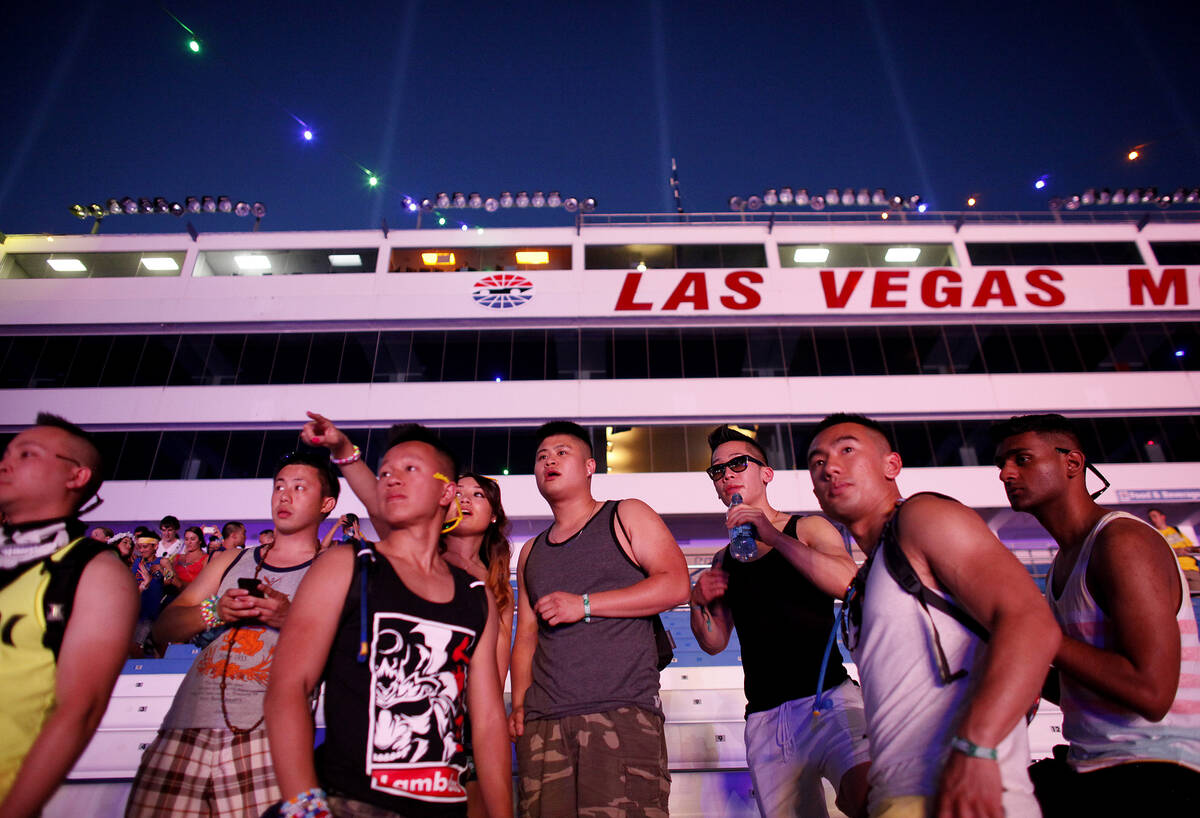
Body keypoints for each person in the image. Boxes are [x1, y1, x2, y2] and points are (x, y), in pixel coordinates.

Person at [806, 412, 1058, 818]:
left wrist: (978, 746)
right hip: (898, 796)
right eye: (816, 463)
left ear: (892, 465)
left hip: (966, 797)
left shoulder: (922, 517)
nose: (829, 467)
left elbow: (1030, 621)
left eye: (847, 450)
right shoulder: (865, 582)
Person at [266, 422, 512, 817]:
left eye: (410, 469)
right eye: (384, 471)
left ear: (446, 492)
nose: (392, 477)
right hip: (352, 803)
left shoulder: (475, 595)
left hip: (443, 804)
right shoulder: (347, 565)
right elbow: (288, 688)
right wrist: (305, 807)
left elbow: (486, 720)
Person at [991, 414, 1200, 815]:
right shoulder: (1064, 562)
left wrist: (1034, 633)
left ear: (1072, 463)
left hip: (1157, 771)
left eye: (1021, 459)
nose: (1005, 473)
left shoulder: (1122, 541)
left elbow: (1151, 694)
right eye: (1001, 464)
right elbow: (1080, 683)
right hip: (1097, 766)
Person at [125, 449, 339, 817]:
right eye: (279, 487)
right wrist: (217, 610)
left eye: (300, 488)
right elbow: (164, 628)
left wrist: (290, 619)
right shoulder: (231, 559)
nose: (284, 496)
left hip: (268, 737)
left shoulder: (333, 569)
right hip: (185, 725)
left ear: (327, 503)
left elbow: (348, 655)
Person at [510, 421, 690, 817]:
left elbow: (676, 584)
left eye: (561, 453)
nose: (549, 461)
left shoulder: (625, 514)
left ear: (590, 466)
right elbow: (526, 635)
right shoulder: (529, 552)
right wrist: (521, 705)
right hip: (544, 723)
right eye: (541, 457)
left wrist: (585, 604)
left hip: (620, 713)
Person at [690, 425, 869, 818]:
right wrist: (696, 603)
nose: (727, 475)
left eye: (738, 463)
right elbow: (714, 641)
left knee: (871, 797)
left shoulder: (805, 528)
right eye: (717, 471)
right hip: (768, 718)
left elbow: (847, 582)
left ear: (765, 473)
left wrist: (772, 534)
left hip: (830, 697)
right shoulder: (724, 559)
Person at [0, 413, 138, 815]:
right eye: (7, 452)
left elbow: (79, 709)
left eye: (27, 454)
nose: (6, 462)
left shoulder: (94, 571)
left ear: (76, 476)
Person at [1148, 507, 1200, 594]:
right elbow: (1155, 552)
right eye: (1150, 518)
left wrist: (1195, 549)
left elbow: (1189, 546)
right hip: (1174, 572)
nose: (1152, 519)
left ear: (1162, 517)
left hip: (1192, 570)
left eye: (1154, 516)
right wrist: (1175, 551)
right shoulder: (1153, 535)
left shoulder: (1176, 530)